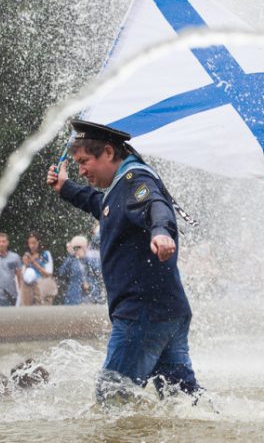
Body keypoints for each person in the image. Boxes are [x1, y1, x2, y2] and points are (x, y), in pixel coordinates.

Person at [47, 120, 200, 403]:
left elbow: (156, 205)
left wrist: (161, 232)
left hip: (141, 313)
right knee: (183, 402)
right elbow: (103, 207)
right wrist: (66, 188)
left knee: (111, 401)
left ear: (107, 152)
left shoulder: (136, 181)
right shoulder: (121, 187)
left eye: (84, 161)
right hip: (165, 310)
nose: (81, 170)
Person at [58, 235, 102, 305]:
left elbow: (98, 271)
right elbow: (61, 273)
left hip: (91, 294)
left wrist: (85, 258)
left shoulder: (92, 257)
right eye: (75, 248)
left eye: (79, 247)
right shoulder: (71, 260)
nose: (77, 250)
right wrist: (71, 256)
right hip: (74, 296)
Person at [19, 232, 55, 306]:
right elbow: (24, 276)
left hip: (43, 286)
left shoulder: (45, 254)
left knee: (43, 312)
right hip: (29, 289)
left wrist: (34, 262)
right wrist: (26, 265)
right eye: (30, 243)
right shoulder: (27, 256)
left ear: (39, 242)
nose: (32, 246)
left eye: (34, 243)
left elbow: (48, 273)